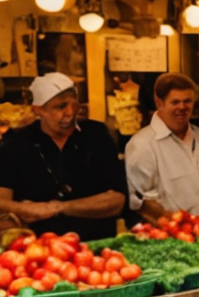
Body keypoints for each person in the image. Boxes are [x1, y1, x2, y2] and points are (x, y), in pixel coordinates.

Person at [0, 73, 126, 238]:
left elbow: (116, 200)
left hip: (95, 247)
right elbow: (3, 204)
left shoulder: (96, 134)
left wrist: (58, 207)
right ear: (38, 110)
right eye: (60, 107)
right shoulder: (17, 143)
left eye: (74, 105)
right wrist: (25, 210)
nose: (70, 112)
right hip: (39, 250)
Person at [124, 73, 199, 222]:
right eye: (175, 102)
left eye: (187, 101)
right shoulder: (142, 145)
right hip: (169, 239)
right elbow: (142, 203)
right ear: (159, 103)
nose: (182, 107)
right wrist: (180, 226)